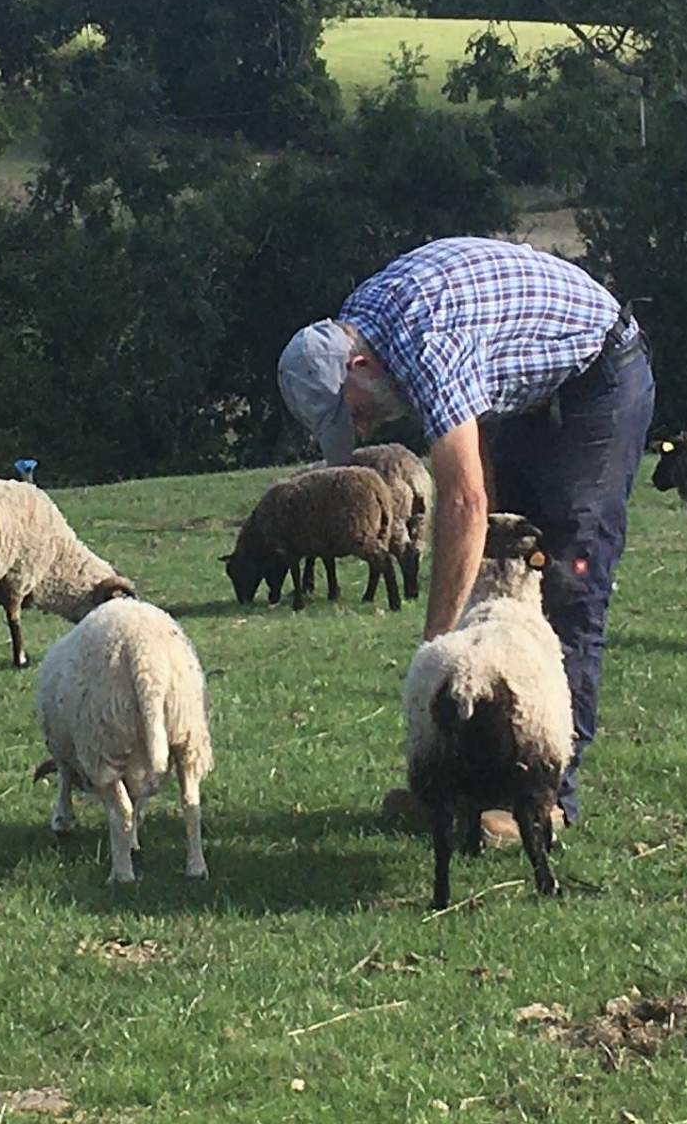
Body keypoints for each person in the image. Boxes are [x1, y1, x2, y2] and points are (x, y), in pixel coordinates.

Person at [277, 236, 655, 829]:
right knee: (500, 573)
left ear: (358, 365)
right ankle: (467, 788)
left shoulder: (425, 344)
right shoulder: (365, 329)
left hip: (596, 380)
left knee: (564, 579)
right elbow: (473, 502)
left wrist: (436, 653)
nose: (364, 423)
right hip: (523, 395)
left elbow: (463, 499)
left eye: (352, 410)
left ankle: (547, 798)